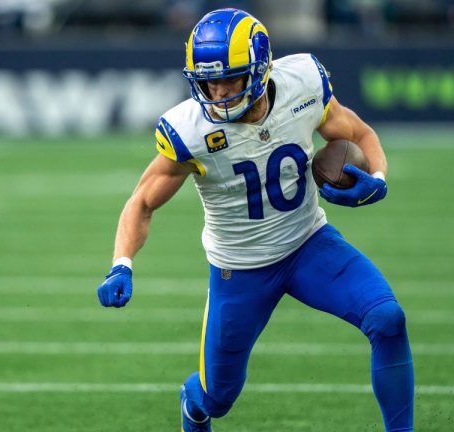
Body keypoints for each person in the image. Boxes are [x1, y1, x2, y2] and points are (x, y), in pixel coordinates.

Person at [96, 8, 414, 432]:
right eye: (209, 80)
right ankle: (194, 408)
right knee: (217, 397)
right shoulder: (189, 130)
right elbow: (142, 202)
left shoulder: (302, 83)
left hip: (308, 244)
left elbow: (357, 134)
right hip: (239, 271)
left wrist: (376, 178)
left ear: (261, 69)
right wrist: (122, 263)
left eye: (230, 78)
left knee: (387, 319)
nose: (219, 91)